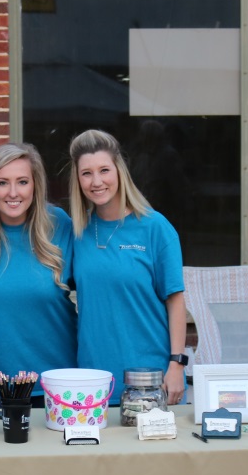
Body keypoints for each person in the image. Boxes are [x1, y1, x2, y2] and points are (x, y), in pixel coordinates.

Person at [68, 129, 186, 405]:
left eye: (104, 170)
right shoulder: (75, 232)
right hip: (92, 380)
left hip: (149, 379)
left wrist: (177, 365)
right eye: (86, 173)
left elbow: (176, 300)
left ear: (119, 171)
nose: (97, 182)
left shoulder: (155, 227)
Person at [0, 143, 77, 407]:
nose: (13, 193)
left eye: (22, 182)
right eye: (2, 182)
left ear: (35, 185)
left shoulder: (59, 224)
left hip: (56, 382)